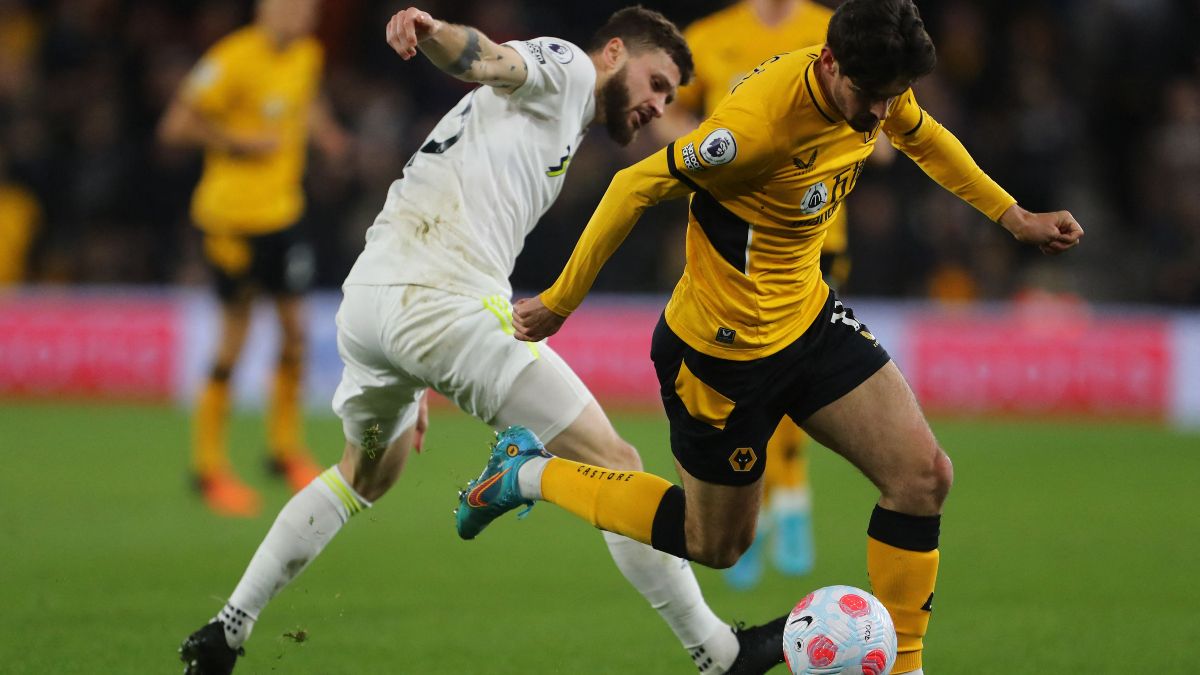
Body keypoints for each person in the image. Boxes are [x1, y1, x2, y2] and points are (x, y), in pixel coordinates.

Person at [462, 0, 1084, 673]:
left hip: (807, 319)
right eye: (872, 97)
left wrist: (1013, 215)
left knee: (923, 476)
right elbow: (633, 186)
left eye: (893, 97)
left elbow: (921, 133)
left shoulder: (875, 88)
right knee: (715, 542)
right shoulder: (756, 130)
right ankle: (528, 473)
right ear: (828, 63)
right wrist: (560, 300)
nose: (881, 115)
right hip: (719, 354)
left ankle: (905, 665)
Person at [179, 6, 784, 675]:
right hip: (444, 306)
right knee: (615, 461)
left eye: (669, 96)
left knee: (365, 475)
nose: (657, 104)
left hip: (375, 311)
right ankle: (717, 652)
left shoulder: (560, 119)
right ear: (613, 52)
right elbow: (489, 58)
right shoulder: (570, 68)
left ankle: (226, 629)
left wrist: (414, 358)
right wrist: (432, 31)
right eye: (656, 82)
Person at [664, 0, 840, 590]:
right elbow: (667, 115)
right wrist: (709, 149)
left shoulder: (830, 31)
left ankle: (788, 502)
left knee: (792, 373)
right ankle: (760, 506)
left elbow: (882, 121)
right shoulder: (708, 36)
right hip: (730, 239)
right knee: (749, 379)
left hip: (813, 238)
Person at [158, 0, 350, 517]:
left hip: (283, 214)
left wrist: (326, 133)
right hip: (231, 221)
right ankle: (207, 466)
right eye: (292, 6)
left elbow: (304, 101)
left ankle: (284, 449)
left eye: (308, 9)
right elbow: (174, 126)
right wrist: (235, 141)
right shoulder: (231, 59)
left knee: (294, 333)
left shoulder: (307, 55)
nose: (302, 16)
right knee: (234, 339)